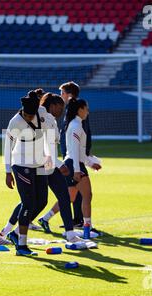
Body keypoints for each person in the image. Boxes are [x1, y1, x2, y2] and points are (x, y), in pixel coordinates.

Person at [0, 93, 84, 245]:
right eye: (60, 107)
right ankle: (9, 232)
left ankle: (69, 233)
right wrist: (59, 165)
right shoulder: (37, 115)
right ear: (52, 105)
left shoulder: (48, 118)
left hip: (45, 161)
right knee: (32, 200)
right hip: (43, 162)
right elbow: (45, 146)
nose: (62, 111)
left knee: (57, 196)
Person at [3, 90, 50, 256]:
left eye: (32, 115)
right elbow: (7, 147)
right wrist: (8, 172)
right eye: (27, 115)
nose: (30, 118)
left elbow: (44, 104)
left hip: (39, 164)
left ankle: (14, 234)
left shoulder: (40, 112)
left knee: (42, 201)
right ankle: (21, 245)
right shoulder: (15, 122)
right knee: (28, 202)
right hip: (21, 164)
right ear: (22, 111)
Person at [63, 98, 100, 238]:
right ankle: (87, 229)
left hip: (74, 163)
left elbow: (79, 151)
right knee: (87, 195)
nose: (88, 112)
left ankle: (46, 218)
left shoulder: (75, 125)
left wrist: (91, 164)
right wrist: (77, 170)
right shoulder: (76, 126)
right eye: (86, 108)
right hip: (74, 164)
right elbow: (74, 151)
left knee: (69, 198)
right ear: (80, 109)